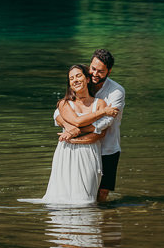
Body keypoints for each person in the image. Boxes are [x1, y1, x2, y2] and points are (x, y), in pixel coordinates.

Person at [21, 64, 118, 206]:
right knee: (62, 196)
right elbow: (77, 122)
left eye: (78, 76)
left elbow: (100, 134)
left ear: (88, 79)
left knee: (86, 200)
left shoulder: (100, 103)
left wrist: (76, 139)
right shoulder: (64, 103)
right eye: (71, 78)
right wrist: (103, 113)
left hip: (89, 152)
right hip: (66, 151)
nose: (75, 80)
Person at [57, 49, 124, 203]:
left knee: (102, 192)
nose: (95, 74)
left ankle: (100, 222)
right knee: (79, 189)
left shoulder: (116, 91)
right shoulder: (82, 81)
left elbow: (107, 122)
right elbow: (59, 113)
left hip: (107, 147)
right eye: (93, 69)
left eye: (100, 71)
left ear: (109, 71)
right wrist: (68, 125)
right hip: (83, 150)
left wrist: (75, 131)